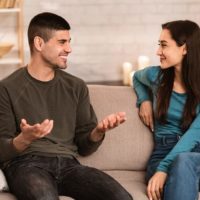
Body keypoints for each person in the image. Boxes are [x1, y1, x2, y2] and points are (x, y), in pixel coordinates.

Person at [0, 12, 132, 200]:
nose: (69, 49)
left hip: (69, 165)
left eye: (69, 41)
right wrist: (24, 138)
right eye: (62, 42)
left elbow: (85, 147)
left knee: (121, 197)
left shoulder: (76, 87)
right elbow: (2, 150)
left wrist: (98, 132)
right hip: (26, 164)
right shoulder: (7, 88)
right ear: (39, 43)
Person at [133, 20, 200, 200]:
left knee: (185, 161)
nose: (158, 52)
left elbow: (195, 134)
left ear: (184, 49)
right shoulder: (156, 76)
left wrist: (164, 170)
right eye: (159, 45)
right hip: (164, 152)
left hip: (195, 154)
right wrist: (144, 100)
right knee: (182, 164)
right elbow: (137, 78)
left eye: (164, 46)